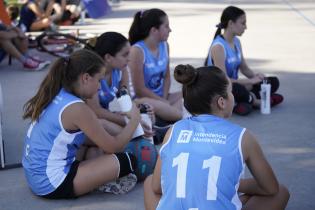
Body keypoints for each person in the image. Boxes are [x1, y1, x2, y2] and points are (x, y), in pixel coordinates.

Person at [143, 64, 290, 210]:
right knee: (280, 192)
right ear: (222, 102)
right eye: (231, 91)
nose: (233, 95)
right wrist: (231, 183)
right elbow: (270, 188)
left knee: (150, 181)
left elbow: (157, 187)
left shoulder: (173, 130)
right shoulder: (243, 137)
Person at [22, 49, 141, 199]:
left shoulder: (58, 93)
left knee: (96, 144)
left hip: (36, 176)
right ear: (85, 78)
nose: (100, 86)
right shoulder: (77, 108)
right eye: (99, 80)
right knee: (128, 161)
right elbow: (114, 146)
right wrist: (134, 119)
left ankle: (93, 175)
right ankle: (96, 180)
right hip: (51, 183)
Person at [205, 6, 283, 116]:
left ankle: (247, 100)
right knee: (237, 89)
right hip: (222, 90)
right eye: (243, 23)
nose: (245, 27)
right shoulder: (218, 47)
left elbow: (244, 68)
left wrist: (257, 77)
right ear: (231, 23)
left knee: (272, 81)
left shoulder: (236, 42)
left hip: (235, 85)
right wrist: (251, 81)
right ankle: (256, 101)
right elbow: (223, 81)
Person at [128, 8, 183, 125]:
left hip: (162, 98)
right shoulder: (137, 51)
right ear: (154, 30)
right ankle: (179, 119)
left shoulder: (165, 45)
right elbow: (139, 90)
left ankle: (164, 119)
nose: (170, 30)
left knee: (190, 93)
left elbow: (167, 77)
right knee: (183, 111)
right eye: (166, 26)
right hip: (141, 100)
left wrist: (163, 99)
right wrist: (162, 102)